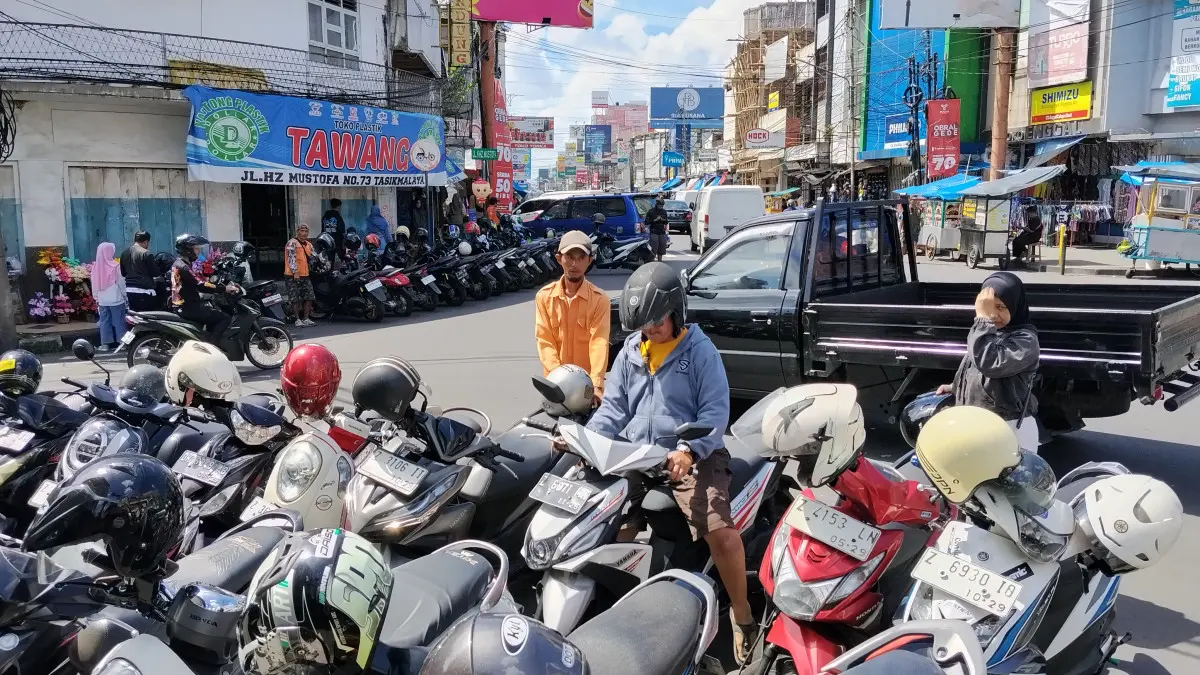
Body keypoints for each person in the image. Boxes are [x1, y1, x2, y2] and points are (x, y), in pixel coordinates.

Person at [585, 262, 755, 663]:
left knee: (718, 531)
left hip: (694, 455)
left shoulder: (700, 352)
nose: (650, 330)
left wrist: (687, 450)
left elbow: (714, 414)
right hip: (637, 456)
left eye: (656, 322)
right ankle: (618, 610)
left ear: (678, 311)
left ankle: (743, 618)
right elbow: (612, 409)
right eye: (643, 325)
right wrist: (585, 439)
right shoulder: (631, 350)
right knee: (606, 526)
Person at [936, 272, 1041, 452]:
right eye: (988, 307)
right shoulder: (988, 332)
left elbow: (989, 364)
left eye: (1000, 307)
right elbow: (973, 367)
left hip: (1009, 428)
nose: (993, 314)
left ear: (1015, 306)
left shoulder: (1025, 340)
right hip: (981, 425)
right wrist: (956, 386)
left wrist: (983, 321)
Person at [535, 230, 610, 404]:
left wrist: (597, 386)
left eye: (581, 257)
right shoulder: (544, 297)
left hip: (586, 390)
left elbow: (599, 342)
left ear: (589, 261)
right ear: (559, 258)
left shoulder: (599, 300)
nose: (574, 264)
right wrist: (559, 380)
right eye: (569, 256)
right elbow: (545, 341)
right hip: (555, 387)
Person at [170, 233, 237, 347]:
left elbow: (198, 281)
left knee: (211, 315)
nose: (198, 251)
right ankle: (212, 350)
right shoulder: (184, 267)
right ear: (188, 250)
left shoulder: (179, 264)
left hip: (184, 306)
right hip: (188, 308)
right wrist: (224, 288)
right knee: (224, 318)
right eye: (196, 248)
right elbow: (201, 285)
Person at [90, 242, 126, 352]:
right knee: (119, 321)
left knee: (104, 321)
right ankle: (122, 343)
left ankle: (105, 344)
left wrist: (96, 297)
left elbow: (94, 285)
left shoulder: (95, 267)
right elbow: (121, 283)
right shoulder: (116, 266)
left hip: (102, 300)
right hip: (116, 299)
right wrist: (125, 295)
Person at [119, 231, 159, 311]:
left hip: (129, 290)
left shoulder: (124, 253)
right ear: (146, 241)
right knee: (149, 318)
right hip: (145, 291)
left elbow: (123, 273)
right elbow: (155, 273)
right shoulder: (146, 253)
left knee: (134, 315)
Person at [284, 224, 316, 327]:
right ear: (297, 231)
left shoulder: (308, 244)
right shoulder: (292, 243)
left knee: (309, 296)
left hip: (305, 275)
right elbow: (291, 258)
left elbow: (314, 256)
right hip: (293, 275)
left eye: (306, 231)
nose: (304, 233)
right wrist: (295, 272)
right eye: (302, 231)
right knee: (294, 298)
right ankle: (297, 319)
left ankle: (306, 318)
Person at [644, 194, 669, 262]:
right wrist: (655, 220)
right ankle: (651, 264)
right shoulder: (651, 211)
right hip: (654, 232)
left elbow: (666, 222)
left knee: (661, 251)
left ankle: (659, 263)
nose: (661, 207)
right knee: (653, 251)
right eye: (659, 205)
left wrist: (662, 220)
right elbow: (646, 222)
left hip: (662, 233)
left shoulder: (664, 211)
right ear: (656, 204)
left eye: (662, 205)